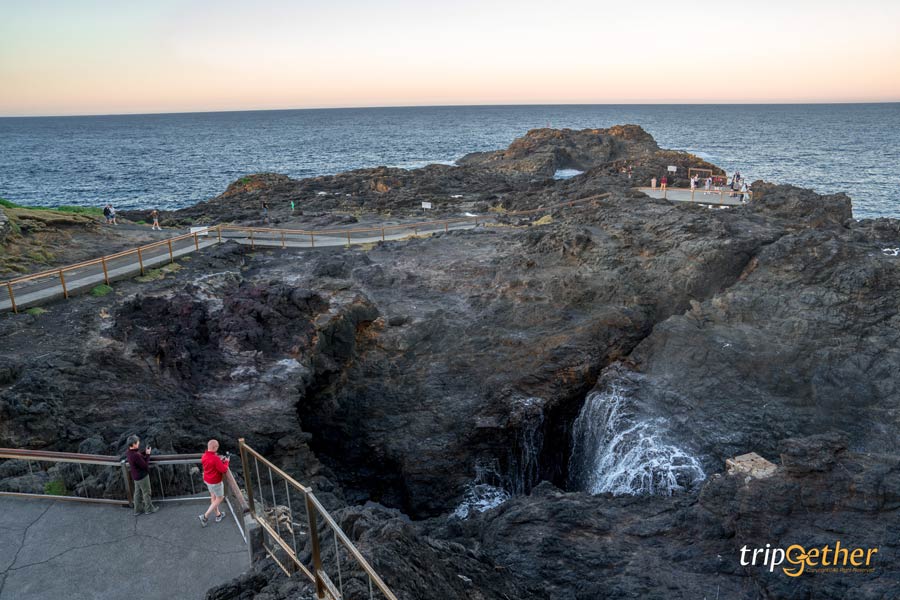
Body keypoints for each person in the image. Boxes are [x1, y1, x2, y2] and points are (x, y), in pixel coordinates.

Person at [199, 439, 231, 527]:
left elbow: (212, 465)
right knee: (220, 498)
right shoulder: (215, 458)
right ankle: (205, 516)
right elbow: (224, 470)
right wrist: (227, 461)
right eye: (217, 447)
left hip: (207, 480)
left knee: (213, 496)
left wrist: (221, 462)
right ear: (214, 447)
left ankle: (218, 515)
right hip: (215, 482)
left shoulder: (204, 456)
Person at [125, 434, 159, 515]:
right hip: (142, 476)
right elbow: (144, 465)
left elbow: (138, 456)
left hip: (135, 476)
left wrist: (144, 452)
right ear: (133, 444)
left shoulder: (128, 452)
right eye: (137, 442)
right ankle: (149, 509)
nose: (139, 443)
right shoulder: (135, 455)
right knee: (146, 492)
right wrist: (148, 454)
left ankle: (137, 510)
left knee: (137, 493)